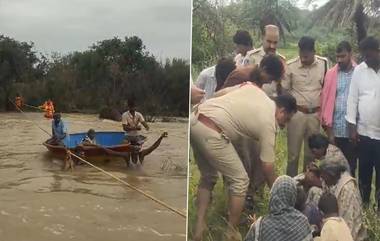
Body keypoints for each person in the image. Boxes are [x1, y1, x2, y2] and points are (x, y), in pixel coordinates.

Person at [190, 58, 297, 240]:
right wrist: (278, 191)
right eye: (286, 120)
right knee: (240, 180)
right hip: (212, 131)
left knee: (208, 177)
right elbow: (267, 167)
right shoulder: (269, 122)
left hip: (195, 120)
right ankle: (231, 231)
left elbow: (218, 94)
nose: (284, 125)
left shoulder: (250, 87)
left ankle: (199, 228)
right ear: (282, 111)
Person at [282, 36, 329, 177]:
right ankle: (291, 185)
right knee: (293, 155)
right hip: (297, 115)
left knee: (311, 155)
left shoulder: (324, 64)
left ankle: (308, 186)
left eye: (307, 56)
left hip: (315, 115)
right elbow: (284, 91)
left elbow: (328, 88)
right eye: (301, 55)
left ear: (314, 52)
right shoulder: (290, 66)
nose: (303, 58)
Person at [346, 36, 380, 210]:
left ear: (378, 52)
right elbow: (352, 100)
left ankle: (379, 209)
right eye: (364, 56)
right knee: (364, 173)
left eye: (370, 55)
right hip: (364, 133)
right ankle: (364, 206)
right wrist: (352, 129)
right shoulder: (359, 70)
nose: (367, 59)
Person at [317, 140, 367, 241]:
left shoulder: (348, 189)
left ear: (331, 174)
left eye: (324, 177)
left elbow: (349, 225)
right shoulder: (334, 181)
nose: (322, 180)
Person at [320, 41, 357, 176]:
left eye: (343, 56)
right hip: (335, 131)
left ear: (350, 54)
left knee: (351, 167)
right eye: (337, 57)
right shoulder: (331, 74)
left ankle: (349, 195)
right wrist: (330, 133)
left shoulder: (358, 72)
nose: (339, 60)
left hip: (353, 132)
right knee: (333, 169)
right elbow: (325, 102)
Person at [244, 175, 313, 241]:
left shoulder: (260, 226)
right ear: (293, 196)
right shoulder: (302, 222)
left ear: (273, 194)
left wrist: (255, 226)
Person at [243, 25, 286, 97]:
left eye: (275, 43)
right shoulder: (251, 57)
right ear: (262, 38)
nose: (272, 46)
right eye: (269, 42)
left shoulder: (281, 60)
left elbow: (282, 85)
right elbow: (245, 80)